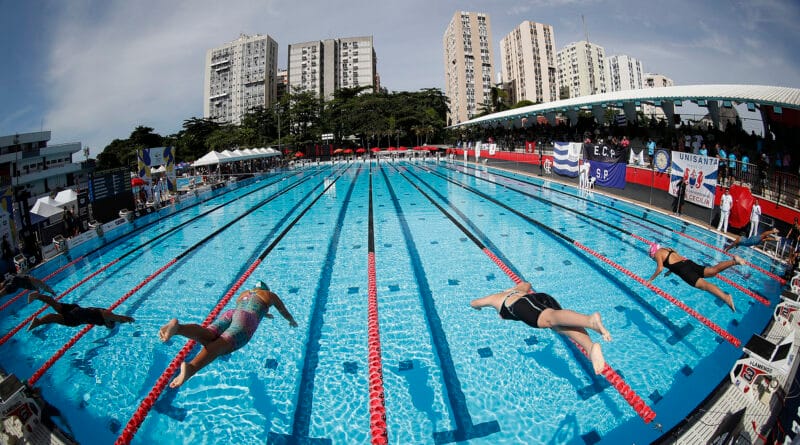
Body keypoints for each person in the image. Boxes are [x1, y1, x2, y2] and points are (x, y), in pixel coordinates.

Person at [159, 281, 297, 388]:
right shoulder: (270, 295)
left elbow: (250, 307)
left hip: (232, 313)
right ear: (266, 290)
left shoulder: (244, 293)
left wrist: (264, 314)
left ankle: (179, 328)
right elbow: (282, 310)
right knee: (222, 345)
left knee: (208, 335)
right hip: (247, 319)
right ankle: (191, 368)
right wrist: (291, 320)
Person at [469, 281, 611, 374]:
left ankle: (589, 321)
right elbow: (527, 284)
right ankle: (590, 347)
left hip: (522, 305)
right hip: (541, 298)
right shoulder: (518, 289)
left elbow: (474, 303)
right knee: (560, 325)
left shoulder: (496, 297)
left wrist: (478, 308)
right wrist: (513, 288)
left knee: (550, 319)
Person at [647, 243, 744, 312]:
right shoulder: (667, 248)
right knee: (712, 271)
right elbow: (674, 259)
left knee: (705, 285)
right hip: (688, 263)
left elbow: (660, 268)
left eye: (653, 258)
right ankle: (734, 261)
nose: (655, 259)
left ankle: (726, 297)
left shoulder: (658, 253)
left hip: (684, 271)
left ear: (653, 253)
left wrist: (650, 280)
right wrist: (670, 270)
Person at [26, 292, 134, 331]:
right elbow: (118, 318)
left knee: (55, 304)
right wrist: (128, 319)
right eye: (108, 325)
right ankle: (37, 322)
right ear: (109, 322)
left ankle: (37, 296)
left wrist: (124, 319)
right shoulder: (106, 316)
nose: (106, 326)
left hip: (76, 308)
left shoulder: (103, 313)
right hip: (76, 318)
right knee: (53, 317)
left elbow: (118, 318)